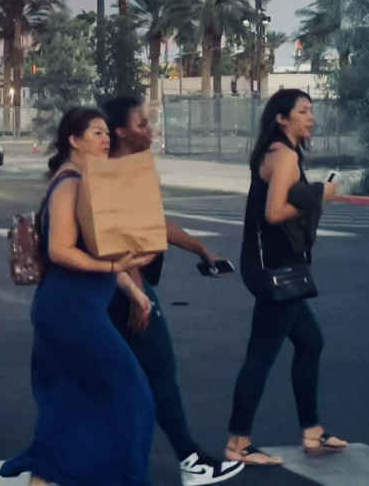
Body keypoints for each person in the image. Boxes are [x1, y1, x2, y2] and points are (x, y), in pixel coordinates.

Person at [0, 107, 157, 485]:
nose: (107, 141)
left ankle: (44, 480)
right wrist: (114, 270)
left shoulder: (86, 181)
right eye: (97, 134)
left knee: (70, 403)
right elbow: (61, 251)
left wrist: (133, 290)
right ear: (74, 140)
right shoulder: (70, 183)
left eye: (107, 134)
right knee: (132, 396)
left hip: (72, 308)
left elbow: (99, 249)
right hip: (71, 310)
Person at [104, 95, 245, 486]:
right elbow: (117, 238)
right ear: (120, 131)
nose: (150, 129)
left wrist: (201, 249)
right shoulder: (115, 175)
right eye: (141, 123)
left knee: (125, 380)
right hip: (125, 289)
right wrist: (138, 295)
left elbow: (155, 221)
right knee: (159, 373)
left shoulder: (131, 171)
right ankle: (190, 459)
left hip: (126, 287)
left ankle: (96, 462)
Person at [224, 89, 348, 465]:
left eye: (312, 111)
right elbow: (275, 211)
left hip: (275, 267)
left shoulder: (278, 151)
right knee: (261, 355)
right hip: (276, 270)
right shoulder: (285, 156)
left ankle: (312, 431)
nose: (311, 117)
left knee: (310, 343)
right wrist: (319, 193)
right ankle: (238, 442)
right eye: (303, 111)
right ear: (282, 118)